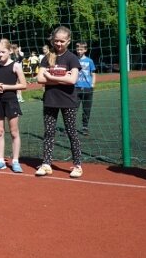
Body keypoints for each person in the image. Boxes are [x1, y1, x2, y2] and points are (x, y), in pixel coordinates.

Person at [36, 26, 83, 178]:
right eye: (56, 41)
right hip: (50, 100)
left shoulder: (72, 58)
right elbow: (40, 79)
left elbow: (73, 80)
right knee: (49, 132)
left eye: (62, 41)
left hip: (68, 101)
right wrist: (63, 77)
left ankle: (77, 165)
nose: (59, 44)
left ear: (68, 41)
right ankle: (46, 164)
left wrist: (52, 77)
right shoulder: (47, 57)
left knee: (71, 132)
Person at [0, 39, 27, 173]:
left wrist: (7, 87)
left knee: (14, 132)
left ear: (9, 51)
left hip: (11, 101)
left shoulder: (16, 66)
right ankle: (0, 160)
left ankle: (15, 161)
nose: (0, 54)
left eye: (3, 52)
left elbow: (23, 85)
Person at [75, 41, 96, 136]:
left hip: (87, 88)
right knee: (73, 108)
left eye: (81, 49)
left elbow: (93, 73)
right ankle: (71, 127)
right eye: (78, 49)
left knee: (86, 109)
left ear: (85, 50)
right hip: (76, 88)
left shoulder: (89, 61)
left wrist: (93, 84)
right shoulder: (74, 60)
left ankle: (85, 127)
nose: (79, 51)